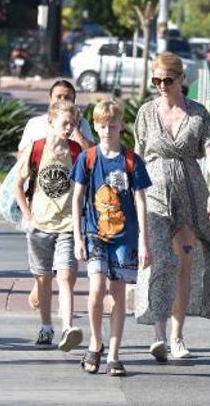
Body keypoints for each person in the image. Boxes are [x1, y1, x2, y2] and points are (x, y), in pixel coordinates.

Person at [134, 52, 210, 362]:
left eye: (168, 80)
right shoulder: (146, 113)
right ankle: (159, 335)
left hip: (191, 197)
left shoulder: (198, 115)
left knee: (183, 267)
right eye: (157, 80)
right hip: (154, 197)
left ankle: (177, 336)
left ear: (181, 80)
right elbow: (136, 156)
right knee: (161, 262)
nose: (162, 86)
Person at [72, 100, 152, 376]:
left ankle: (114, 354)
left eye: (113, 125)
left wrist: (144, 241)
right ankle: (95, 343)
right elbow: (77, 197)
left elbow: (141, 201)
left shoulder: (131, 160)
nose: (107, 131)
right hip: (95, 234)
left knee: (118, 294)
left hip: (125, 237)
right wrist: (77, 236)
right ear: (95, 126)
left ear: (121, 126)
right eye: (102, 126)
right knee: (96, 291)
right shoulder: (88, 158)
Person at [17, 79, 95, 309]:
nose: (63, 100)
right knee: (42, 261)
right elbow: (23, 158)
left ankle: (64, 304)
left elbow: (91, 154)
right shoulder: (35, 124)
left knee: (67, 262)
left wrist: (77, 130)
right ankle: (41, 285)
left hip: (69, 206)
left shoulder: (80, 125)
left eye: (67, 96)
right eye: (58, 96)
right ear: (50, 99)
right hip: (41, 201)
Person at [13, 100, 83, 350]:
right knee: (43, 278)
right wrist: (28, 216)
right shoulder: (37, 149)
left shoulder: (76, 152)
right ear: (51, 121)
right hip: (40, 225)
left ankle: (68, 328)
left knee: (65, 276)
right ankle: (46, 326)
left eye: (73, 124)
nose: (68, 128)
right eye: (65, 123)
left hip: (68, 224)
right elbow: (17, 186)